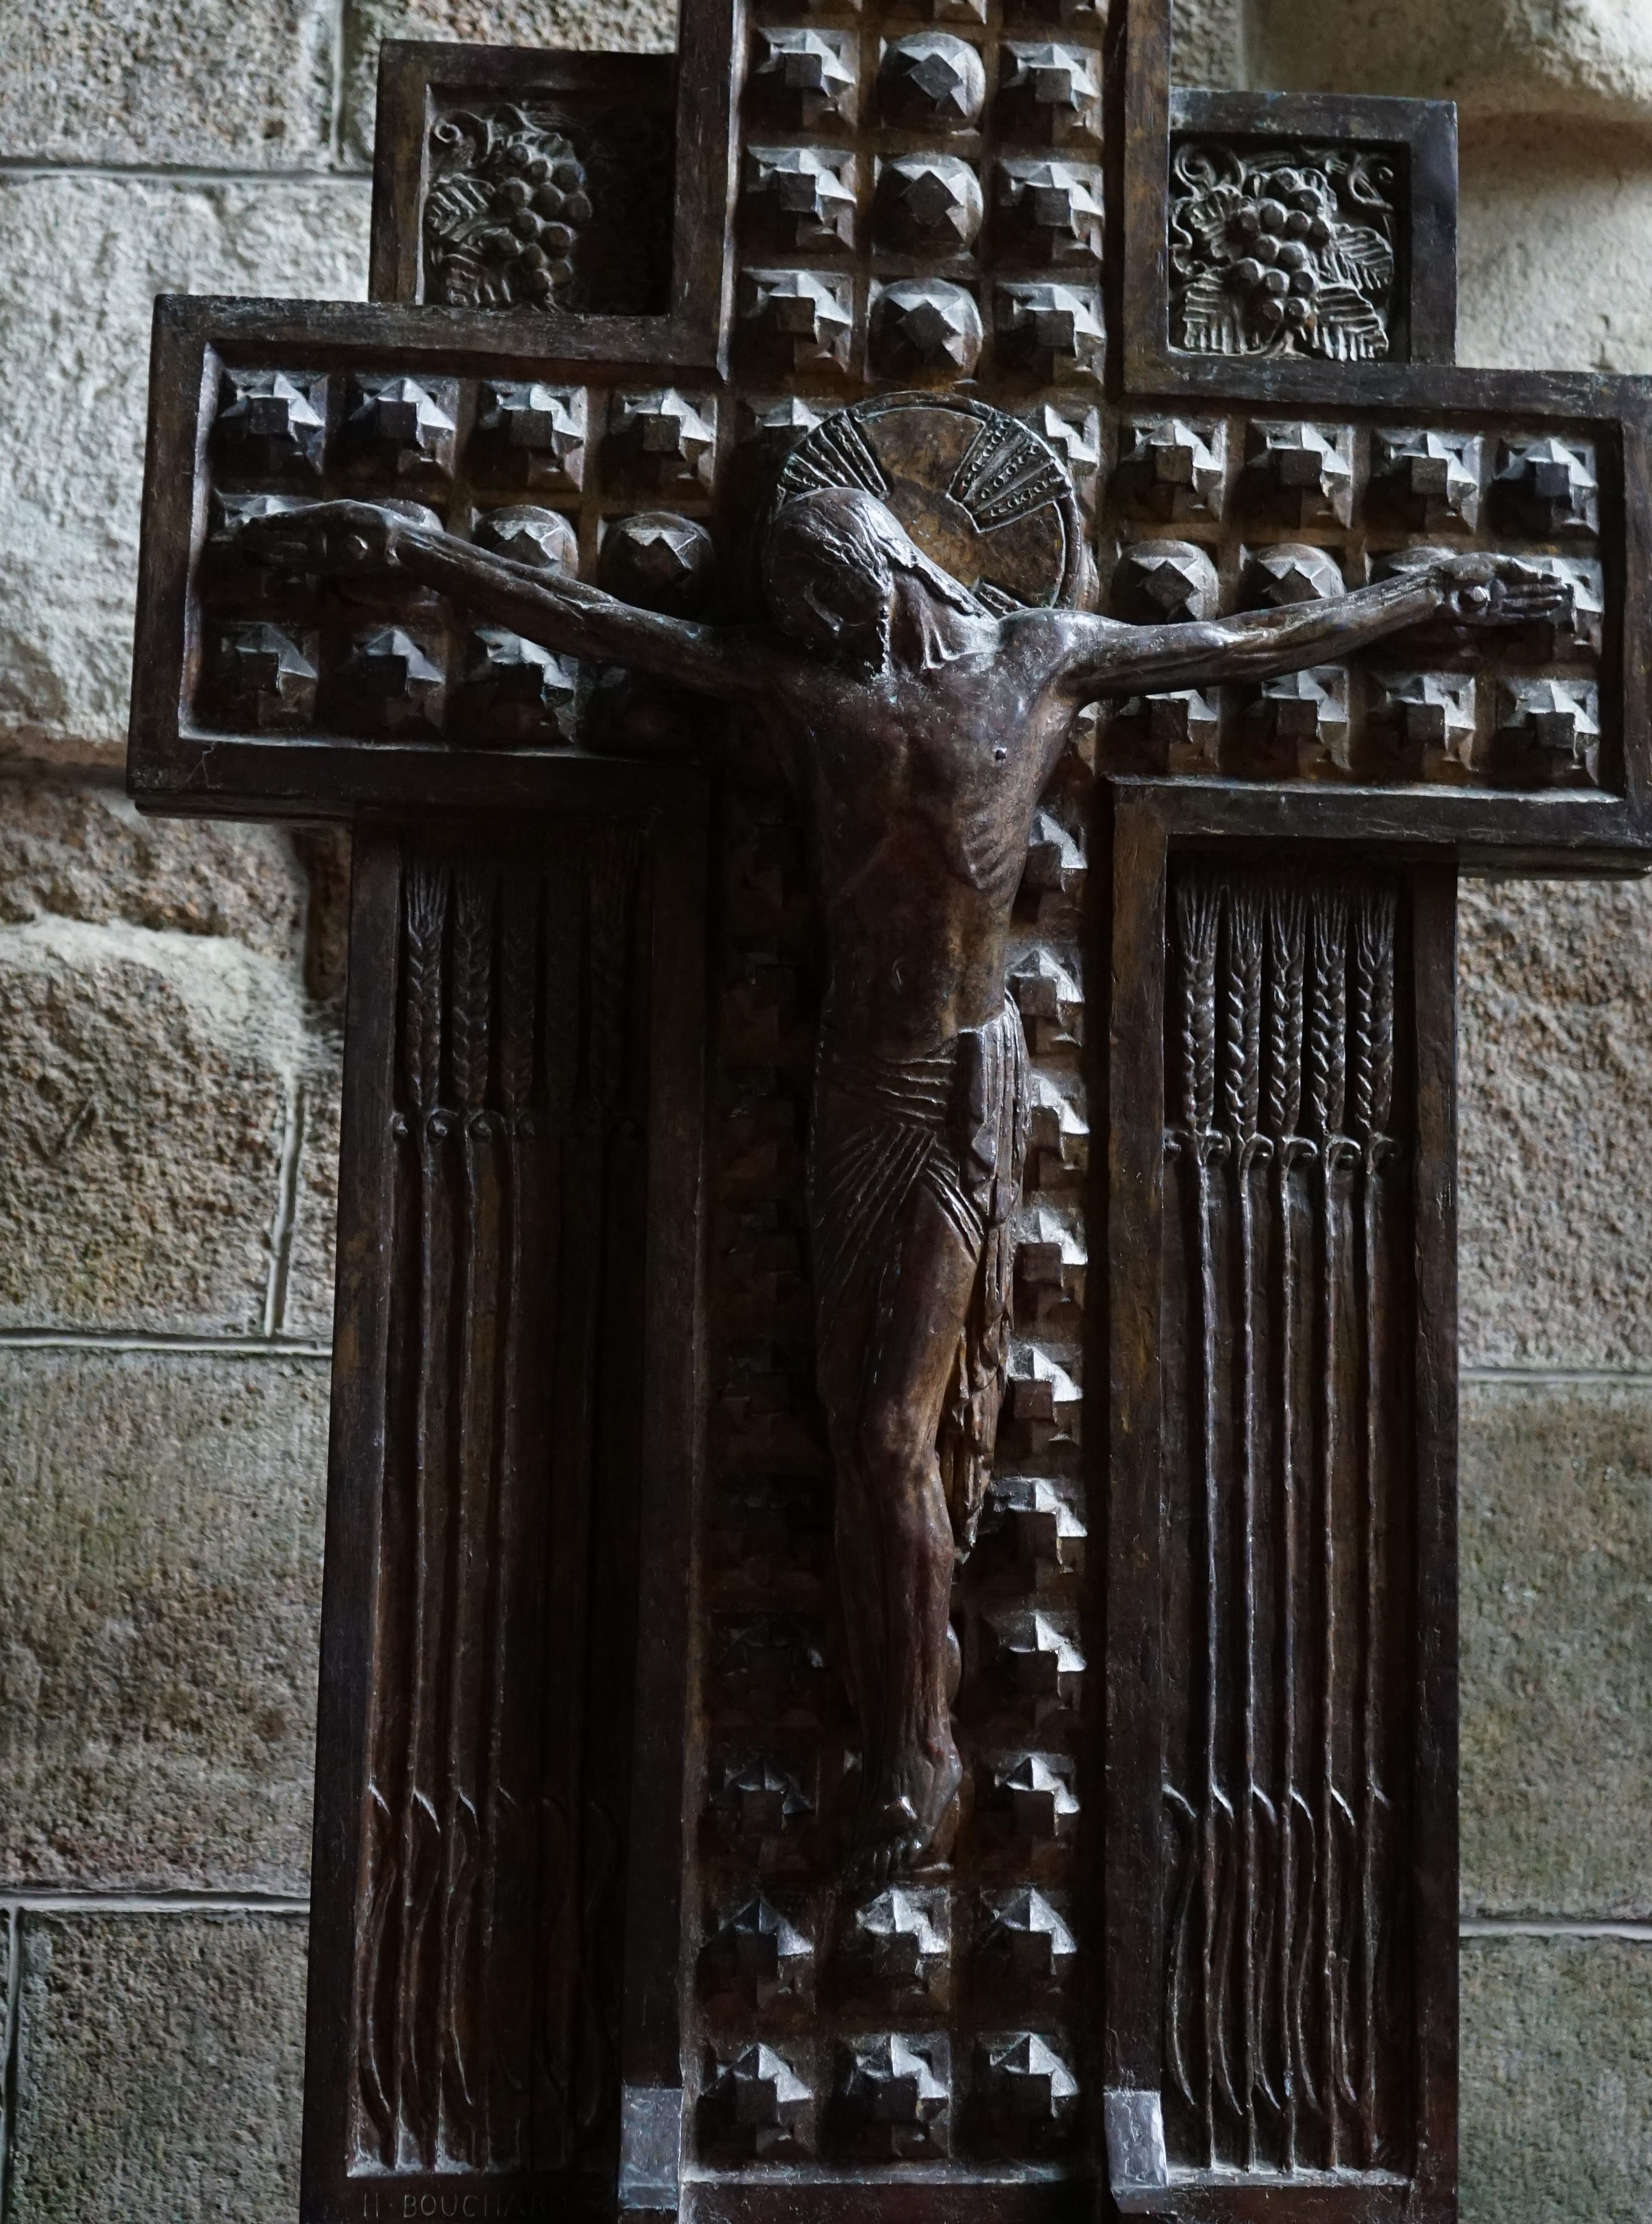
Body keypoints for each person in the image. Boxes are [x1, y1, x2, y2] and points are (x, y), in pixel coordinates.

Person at [246, 482, 1564, 1887]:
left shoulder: (1040, 659)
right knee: (850, 1420)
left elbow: (1247, 642)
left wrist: (1428, 601)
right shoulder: (809, 695)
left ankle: (917, 1743)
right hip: (850, 1094)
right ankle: (889, 1693)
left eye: (827, 583)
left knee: (888, 1430)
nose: (816, 616)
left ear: (882, 558)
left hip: (955, 1089)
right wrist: (415, 549)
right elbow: (601, 624)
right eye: (795, 599)